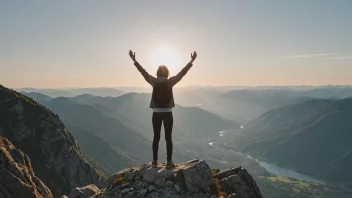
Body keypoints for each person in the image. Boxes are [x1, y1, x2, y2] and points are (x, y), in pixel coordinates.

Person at [129, 50, 197, 168]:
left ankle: (155, 162)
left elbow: (143, 72)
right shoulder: (170, 82)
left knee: (156, 137)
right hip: (167, 113)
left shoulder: (153, 82)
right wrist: (191, 61)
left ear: (157, 73)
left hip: (156, 114)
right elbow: (182, 73)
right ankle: (169, 161)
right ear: (167, 73)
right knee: (168, 138)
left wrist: (134, 60)